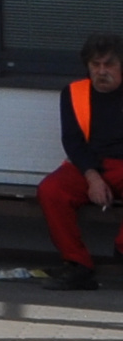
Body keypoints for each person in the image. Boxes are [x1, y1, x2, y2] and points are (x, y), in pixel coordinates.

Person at [38, 33, 123, 288]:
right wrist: (93, 177)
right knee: (51, 190)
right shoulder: (74, 93)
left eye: (109, 64)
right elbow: (73, 142)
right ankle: (77, 265)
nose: (101, 71)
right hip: (89, 165)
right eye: (95, 64)